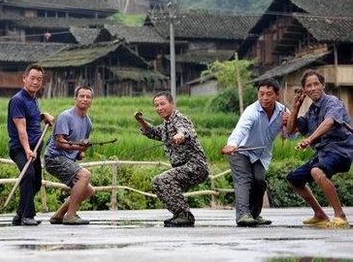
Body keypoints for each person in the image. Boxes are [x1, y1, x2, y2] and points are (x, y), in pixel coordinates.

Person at [285, 69, 353, 229]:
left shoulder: (332, 102)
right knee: (294, 178)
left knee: (317, 172)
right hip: (323, 153)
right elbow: (290, 130)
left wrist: (309, 139)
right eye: (309, 85)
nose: (313, 88)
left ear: (323, 86)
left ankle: (340, 216)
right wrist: (295, 107)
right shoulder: (311, 110)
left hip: (340, 149)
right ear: (305, 90)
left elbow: (329, 121)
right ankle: (320, 215)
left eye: (316, 84)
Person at [221, 78, 294, 227]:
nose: (264, 98)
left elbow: (291, 136)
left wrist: (290, 122)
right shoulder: (252, 111)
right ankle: (242, 215)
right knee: (244, 179)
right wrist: (232, 144)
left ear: (277, 95)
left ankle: (254, 214)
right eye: (261, 94)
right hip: (240, 150)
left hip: (261, 154)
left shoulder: (284, 111)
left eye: (269, 94)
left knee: (259, 181)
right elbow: (241, 129)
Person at [135, 91, 209, 227]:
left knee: (163, 179)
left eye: (162, 104)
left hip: (196, 166)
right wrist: (141, 121)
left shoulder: (179, 119)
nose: (159, 108)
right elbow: (152, 132)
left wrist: (181, 135)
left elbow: (184, 130)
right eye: (156, 105)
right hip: (182, 168)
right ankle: (179, 214)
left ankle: (184, 215)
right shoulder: (165, 125)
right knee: (157, 183)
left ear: (172, 104)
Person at [7, 64, 54, 226]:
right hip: (20, 148)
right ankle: (28, 216)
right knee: (27, 175)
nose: (35, 82)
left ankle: (19, 215)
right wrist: (27, 149)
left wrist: (43, 116)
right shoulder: (17, 100)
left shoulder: (33, 99)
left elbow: (31, 118)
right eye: (32, 78)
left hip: (35, 148)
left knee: (36, 183)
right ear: (24, 79)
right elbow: (21, 129)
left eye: (39, 79)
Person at [44, 86, 95, 225]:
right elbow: (60, 142)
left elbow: (78, 150)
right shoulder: (66, 116)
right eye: (82, 96)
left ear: (91, 100)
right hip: (54, 157)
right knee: (85, 175)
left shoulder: (88, 123)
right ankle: (70, 215)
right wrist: (79, 147)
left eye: (88, 97)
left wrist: (81, 152)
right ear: (75, 99)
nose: (85, 99)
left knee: (89, 190)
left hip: (67, 160)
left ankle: (58, 215)